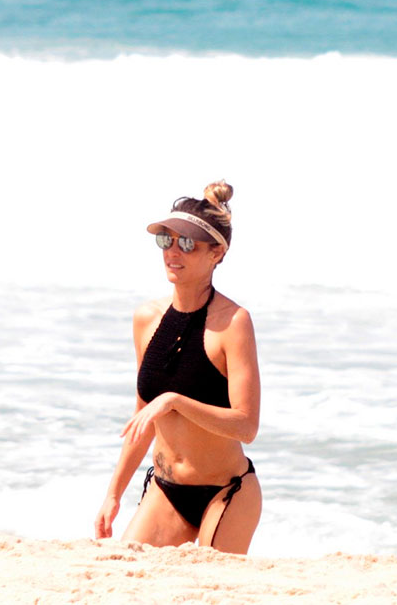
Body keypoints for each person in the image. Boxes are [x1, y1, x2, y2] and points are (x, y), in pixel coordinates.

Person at [94, 181, 262, 553]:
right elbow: (144, 418)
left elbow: (247, 426)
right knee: (126, 575)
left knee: (209, 585)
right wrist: (113, 494)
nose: (174, 251)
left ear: (217, 252)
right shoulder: (146, 319)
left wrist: (175, 400)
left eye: (188, 243)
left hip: (226, 492)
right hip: (166, 491)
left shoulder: (233, 322)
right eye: (167, 240)